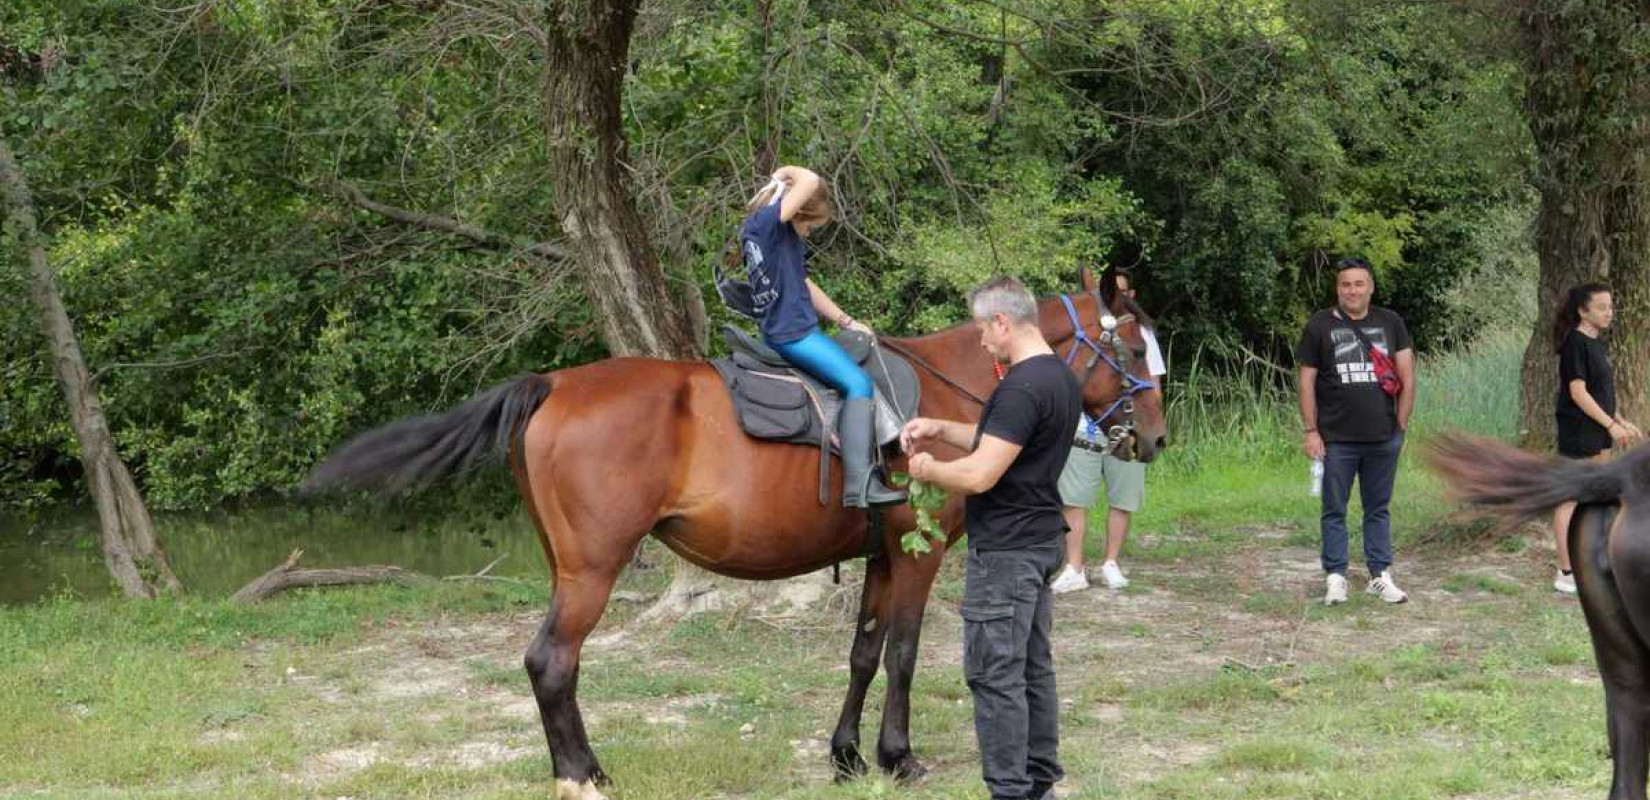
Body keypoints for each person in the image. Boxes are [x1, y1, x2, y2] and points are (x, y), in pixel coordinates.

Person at [901, 276, 1081, 800]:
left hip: (1006, 551)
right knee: (1031, 670)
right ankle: (1039, 782)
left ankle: (1009, 790)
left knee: (995, 675)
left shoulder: (1021, 386)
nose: (981, 339)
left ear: (1003, 322)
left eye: (983, 328)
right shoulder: (1057, 378)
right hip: (1040, 539)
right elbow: (1003, 441)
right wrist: (939, 427)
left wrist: (929, 467)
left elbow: (981, 474)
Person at [739, 165, 904, 507]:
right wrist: (787, 172)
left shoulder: (773, 235)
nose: (810, 234)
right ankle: (859, 485)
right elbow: (811, 180)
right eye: (811, 227)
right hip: (793, 335)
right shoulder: (767, 225)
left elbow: (803, 283)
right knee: (859, 384)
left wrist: (846, 321)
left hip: (791, 330)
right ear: (796, 211)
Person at [1296, 257, 1416, 605]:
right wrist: (1310, 430)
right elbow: (1306, 382)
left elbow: (1408, 376)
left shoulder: (1391, 322)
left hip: (1383, 436)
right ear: (1337, 288)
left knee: (1378, 508)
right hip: (1336, 439)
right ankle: (1336, 576)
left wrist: (1401, 426)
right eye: (1345, 284)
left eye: (1358, 284)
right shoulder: (1319, 325)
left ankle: (1380, 575)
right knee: (1334, 509)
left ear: (1371, 287)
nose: (1352, 290)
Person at [1050, 269, 1167, 593]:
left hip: (1126, 423)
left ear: (1133, 295)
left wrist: (1150, 422)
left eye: (1125, 293)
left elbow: (1153, 384)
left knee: (1123, 494)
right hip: (1085, 424)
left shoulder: (1141, 335)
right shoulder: (1085, 333)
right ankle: (1074, 567)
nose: (1120, 299)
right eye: (1113, 294)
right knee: (1074, 497)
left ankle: (1111, 563)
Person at [1550, 283, 1643, 595]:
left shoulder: (1596, 344)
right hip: (1579, 430)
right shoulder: (1574, 343)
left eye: (1611, 307)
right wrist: (1610, 425)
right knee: (1571, 498)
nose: (1609, 313)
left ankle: (1592, 564)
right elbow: (1578, 393)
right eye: (1602, 307)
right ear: (1582, 311)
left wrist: (1619, 420)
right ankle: (1565, 571)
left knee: (1596, 496)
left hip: (1598, 428)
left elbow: (1601, 392)